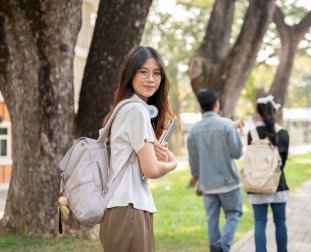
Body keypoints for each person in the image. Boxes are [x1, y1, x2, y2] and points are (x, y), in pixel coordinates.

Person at [99, 45, 178, 252]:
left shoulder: (125, 108)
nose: (150, 79)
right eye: (143, 72)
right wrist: (172, 163)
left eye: (156, 73)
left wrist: (160, 154)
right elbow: (150, 170)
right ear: (130, 74)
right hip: (129, 209)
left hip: (123, 209)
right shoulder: (136, 111)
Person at [187, 89, 243, 252]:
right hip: (229, 182)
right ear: (216, 104)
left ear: (201, 107)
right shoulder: (227, 125)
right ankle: (222, 245)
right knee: (233, 214)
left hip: (207, 184)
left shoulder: (193, 131)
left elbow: (194, 163)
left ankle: (214, 247)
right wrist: (239, 134)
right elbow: (237, 153)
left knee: (212, 219)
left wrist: (197, 181)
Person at [246, 95, 290, 252]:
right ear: (274, 112)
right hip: (277, 184)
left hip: (256, 184)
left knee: (259, 222)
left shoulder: (251, 133)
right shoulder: (283, 133)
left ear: (258, 112)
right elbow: (282, 163)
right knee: (280, 222)